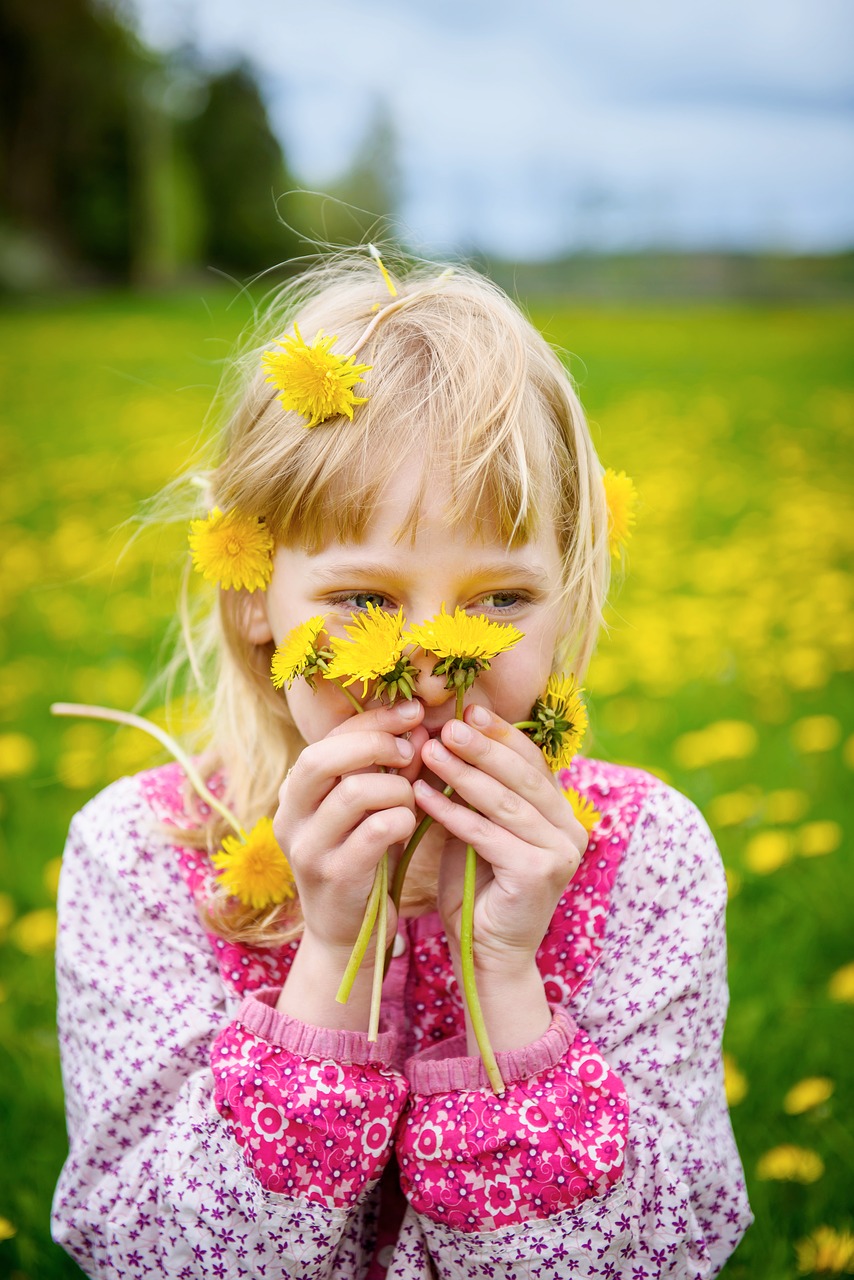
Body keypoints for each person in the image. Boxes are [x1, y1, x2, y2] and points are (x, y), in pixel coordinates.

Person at [51, 253, 752, 1279]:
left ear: (567, 594)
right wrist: (330, 949)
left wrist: (499, 976)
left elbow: (659, 1248)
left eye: (499, 601)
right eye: (365, 600)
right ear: (255, 593)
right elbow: (151, 1250)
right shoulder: (144, 856)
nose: (429, 666)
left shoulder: (644, 859)